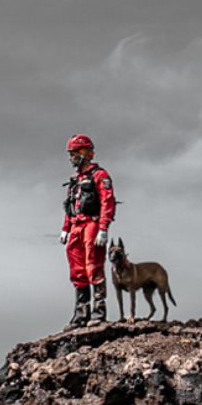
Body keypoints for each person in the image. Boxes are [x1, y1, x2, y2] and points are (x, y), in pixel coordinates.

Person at [60, 134, 116, 328]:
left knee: (94, 266)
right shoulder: (75, 180)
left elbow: (107, 203)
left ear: (84, 153)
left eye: (74, 153)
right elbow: (71, 206)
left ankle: (99, 312)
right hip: (76, 226)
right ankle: (81, 314)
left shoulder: (100, 176)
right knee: (77, 271)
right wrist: (65, 228)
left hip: (91, 226)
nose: (71, 158)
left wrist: (103, 228)